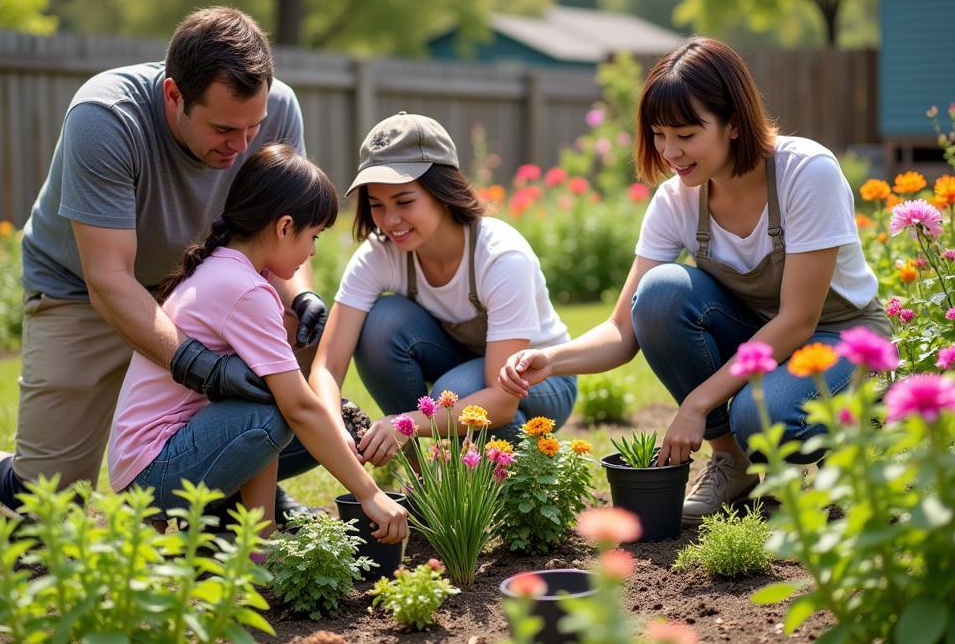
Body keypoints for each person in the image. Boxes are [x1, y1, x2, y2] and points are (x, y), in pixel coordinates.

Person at [0, 7, 329, 516]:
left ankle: (245, 491)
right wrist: (201, 367)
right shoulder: (105, 117)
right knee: (43, 508)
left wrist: (300, 294)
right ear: (174, 95)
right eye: (223, 129)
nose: (241, 147)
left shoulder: (278, 108)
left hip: (201, 292)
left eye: (253, 128)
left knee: (293, 345)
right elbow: (108, 281)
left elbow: (283, 229)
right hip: (81, 290)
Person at [499, 37, 890, 526]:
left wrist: (698, 403)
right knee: (660, 292)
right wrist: (550, 360)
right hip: (758, 334)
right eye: (659, 134)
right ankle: (733, 463)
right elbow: (625, 329)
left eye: (685, 134)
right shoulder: (676, 201)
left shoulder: (805, 172)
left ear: (732, 123)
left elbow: (797, 321)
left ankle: (858, 432)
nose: (668, 152)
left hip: (840, 336)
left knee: (760, 417)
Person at [108, 143, 407, 543]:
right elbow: (296, 406)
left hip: (154, 460)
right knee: (276, 406)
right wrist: (369, 495)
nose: (313, 251)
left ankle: (242, 533)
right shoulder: (245, 290)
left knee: (312, 415)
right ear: (284, 227)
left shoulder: (230, 271)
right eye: (313, 236)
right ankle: (248, 543)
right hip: (154, 474)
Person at [310, 111, 577, 466]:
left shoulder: (500, 255)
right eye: (377, 205)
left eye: (405, 202)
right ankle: (420, 475)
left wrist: (406, 424)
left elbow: (502, 397)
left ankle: (523, 463)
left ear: (443, 191)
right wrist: (332, 424)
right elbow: (327, 364)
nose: (390, 221)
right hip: (464, 363)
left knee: (456, 392)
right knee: (381, 323)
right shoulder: (378, 254)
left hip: (539, 379)